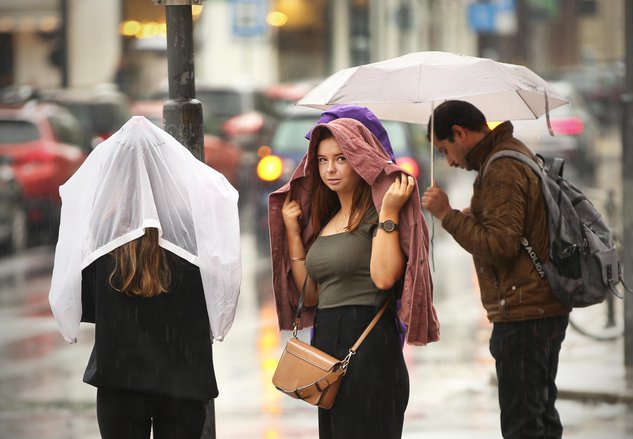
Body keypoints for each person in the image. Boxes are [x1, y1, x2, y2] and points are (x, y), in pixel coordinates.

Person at [49, 116, 241, 438]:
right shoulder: (191, 228)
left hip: (119, 377)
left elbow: (87, 305)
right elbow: (217, 291)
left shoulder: (101, 233)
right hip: (184, 376)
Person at [269, 118, 439, 439]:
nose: (330, 169)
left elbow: (384, 277)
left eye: (341, 159)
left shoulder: (377, 213)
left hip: (369, 347)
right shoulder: (327, 218)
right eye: (322, 160)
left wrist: (388, 214)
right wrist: (293, 233)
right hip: (327, 350)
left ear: (360, 160)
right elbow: (315, 295)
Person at [421, 100, 571, 439]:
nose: (449, 161)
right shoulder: (509, 154)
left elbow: (501, 247)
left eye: (445, 149)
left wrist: (448, 215)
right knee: (540, 415)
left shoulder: (501, 168)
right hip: (538, 307)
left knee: (523, 424)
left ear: (460, 133)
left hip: (523, 314)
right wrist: (474, 216)